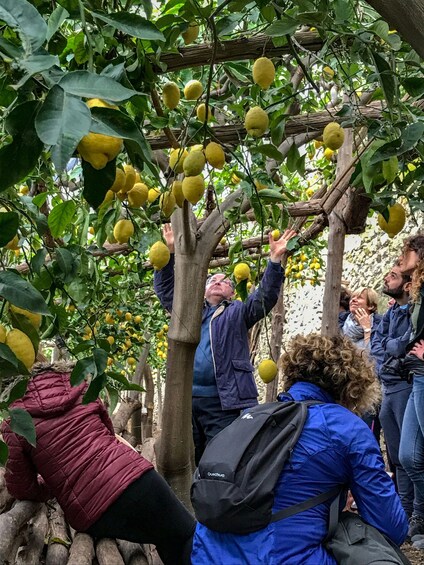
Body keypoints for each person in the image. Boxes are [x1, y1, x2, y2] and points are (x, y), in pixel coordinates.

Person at [191, 333, 408, 564]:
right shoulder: (346, 427)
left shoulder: (252, 417)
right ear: (352, 386)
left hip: (206, 556)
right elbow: (392, 528)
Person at [0, 360, 195, 565]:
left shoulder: (14, 422)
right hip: (138, 479)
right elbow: (108, 433)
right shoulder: (80, 387)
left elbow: (22, 487)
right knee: (183, 534)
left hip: (93, 511)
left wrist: (54, 486)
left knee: (167, 535)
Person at [154, 224, 297, 464]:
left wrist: (274, 261)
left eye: (225, 280)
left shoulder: (238, 311)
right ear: (202, 288)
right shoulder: (188, 310)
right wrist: (169, 254)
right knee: (191, 459)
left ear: (233, 292)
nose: (219, 281)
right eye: (213, 279)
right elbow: (166, 292)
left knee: (220, 459)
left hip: (223, 402)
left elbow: (265, 298)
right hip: (186, 402)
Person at [371, 262, 413, 518]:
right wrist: (392, 345)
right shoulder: (391, 314)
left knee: (410, 456)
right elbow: (378, 346)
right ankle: (406, 512)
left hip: (404, 386)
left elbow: (401, 347)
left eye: (393, 275)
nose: (387, 278)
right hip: (387, 387)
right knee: (396, 456)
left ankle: (415, 512)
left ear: (407, 285)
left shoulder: (413, 314)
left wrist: (392, 346)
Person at [398, 234, 424, 546]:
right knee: (408, 455)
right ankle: (420, 516)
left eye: (406, 252)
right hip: (417, 375)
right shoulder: (418, 289)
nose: (402, 258)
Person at [340, 287, 382, 441]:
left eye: (360, 298)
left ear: (370, 306)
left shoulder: (380, 325)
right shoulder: (342, 325)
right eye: (353, 297)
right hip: (345, 389)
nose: (354, 299)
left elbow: (373, 359)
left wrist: (367, 330)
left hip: (367, 389)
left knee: (367, 436)